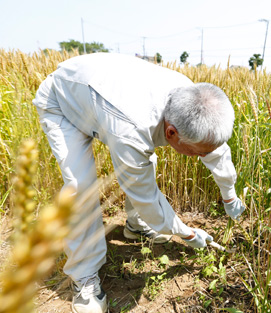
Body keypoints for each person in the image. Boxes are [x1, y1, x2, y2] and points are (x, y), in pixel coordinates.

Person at [33, 52, 245, 313]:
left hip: (105, 96)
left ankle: (135, 227)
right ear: (171, 133)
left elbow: (215, 150)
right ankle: (84, 277)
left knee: (145, 162)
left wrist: (230, 196)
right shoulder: (132, 129)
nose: (201, 157)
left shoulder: (195, 100)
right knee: (81, 187)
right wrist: (187, 233)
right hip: (64, 101)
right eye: (197, 152)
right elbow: (144, 195)